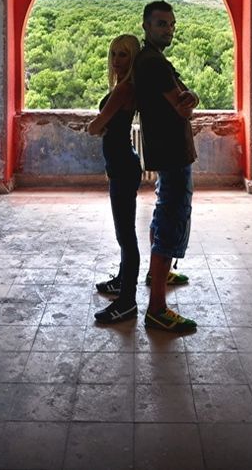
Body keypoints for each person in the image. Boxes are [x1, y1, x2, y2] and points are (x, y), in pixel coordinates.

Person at [134, 0, 199, 333]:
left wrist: (188, 99)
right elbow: (184, 106)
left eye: (171, 24)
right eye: (161, 24)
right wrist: (189, 102)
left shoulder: (153, 60)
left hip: (166, 151)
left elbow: (183, 98)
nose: (168, 29)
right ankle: (157, 308)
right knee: (170, 218)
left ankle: (157, 274)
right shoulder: (154, 64)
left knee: (164, 210)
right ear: (145, 26)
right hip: (172, 152)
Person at [87, 34, 143, 324]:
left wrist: (95, 126)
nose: (117, 60)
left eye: (123, 55)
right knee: (125, 234)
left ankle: (127, 301)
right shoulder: (125, 87)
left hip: (123, 167)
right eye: (113, 54)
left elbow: (96, 126)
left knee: (126, 236)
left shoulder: (124, 90)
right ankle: (122, 281)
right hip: (122, 164)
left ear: (133, 58)